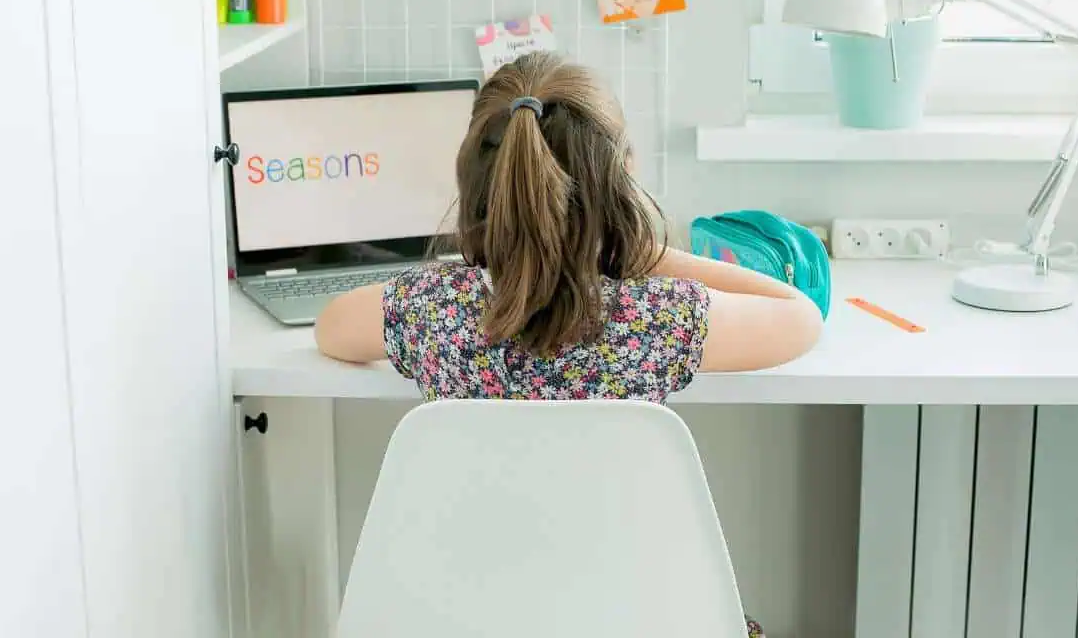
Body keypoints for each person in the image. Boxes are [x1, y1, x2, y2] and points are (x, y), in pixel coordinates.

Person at [315, 51, 820, 637]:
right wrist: (645, 254)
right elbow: (800, 315)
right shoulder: (656, 318)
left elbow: (333, 328)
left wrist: (488, 253)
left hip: (469, 617)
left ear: (480, 182)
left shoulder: (436, 309)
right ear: (621, 181)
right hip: (625, 618)